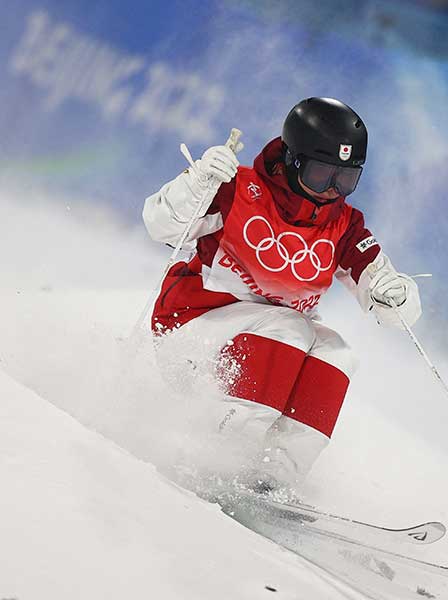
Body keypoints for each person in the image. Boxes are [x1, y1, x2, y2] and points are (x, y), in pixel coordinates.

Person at [142, 97, 421, 491]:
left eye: (345, 179)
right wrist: (196, 183)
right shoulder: (235, 188)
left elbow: (389, 299)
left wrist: (397, 297)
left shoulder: (343, 225)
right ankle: (220, 453)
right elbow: (159, 224)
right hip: (188, 333)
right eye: (321, 173)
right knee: (291, 326)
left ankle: (274, 477)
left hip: (259, 351)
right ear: (292, 160)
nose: (330, 190)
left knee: (336, 352)